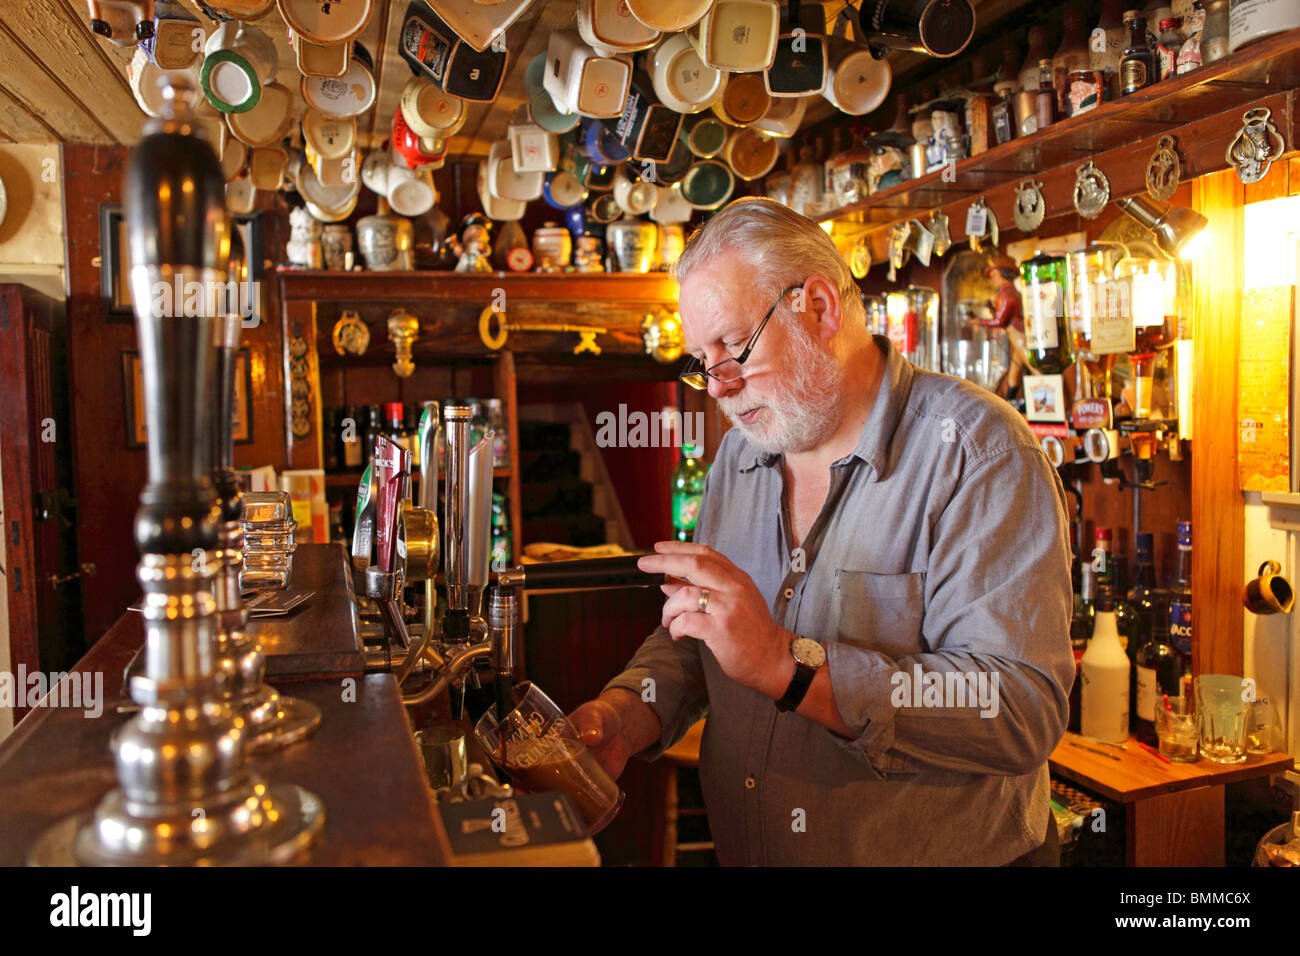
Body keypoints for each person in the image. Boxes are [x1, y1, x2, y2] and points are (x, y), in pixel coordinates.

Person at [571, 198, 1075, 866]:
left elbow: (1017, 706)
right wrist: (627, 715)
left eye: (734, 348)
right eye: (702, 359)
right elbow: (706, 634)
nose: (717, 386)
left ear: (818, 307)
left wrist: (792, 668)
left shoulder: (975, 451)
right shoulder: (742, 453)